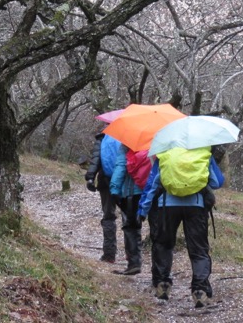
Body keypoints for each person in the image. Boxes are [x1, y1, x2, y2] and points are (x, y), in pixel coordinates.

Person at [137, 155, 215, 308]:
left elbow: (152, 185)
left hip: (167, 205)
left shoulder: (164, 154)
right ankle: (200, 290)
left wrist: (142, 211)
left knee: (163, 244)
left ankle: (162, 283)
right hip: (196, 206)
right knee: (199, 250)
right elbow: (217, 181)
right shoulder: (203, 153)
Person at [84, 130, 121, 263]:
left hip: (106, 182)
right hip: (125, 182)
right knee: (129, 217)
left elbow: (96, 160)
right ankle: (132, 256)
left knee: (108, 216)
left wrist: (90, 178)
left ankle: (109, 255)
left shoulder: (103, 139)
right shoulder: (129, 137)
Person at [109, 144, 146, 275]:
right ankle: (160, 275)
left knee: (131, 228)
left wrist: (114, 189)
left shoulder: (128, 143)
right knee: (158, 231)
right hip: (153, 192)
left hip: (132, 192)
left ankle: (134, 263)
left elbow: (121, 166)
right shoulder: (157, 140)